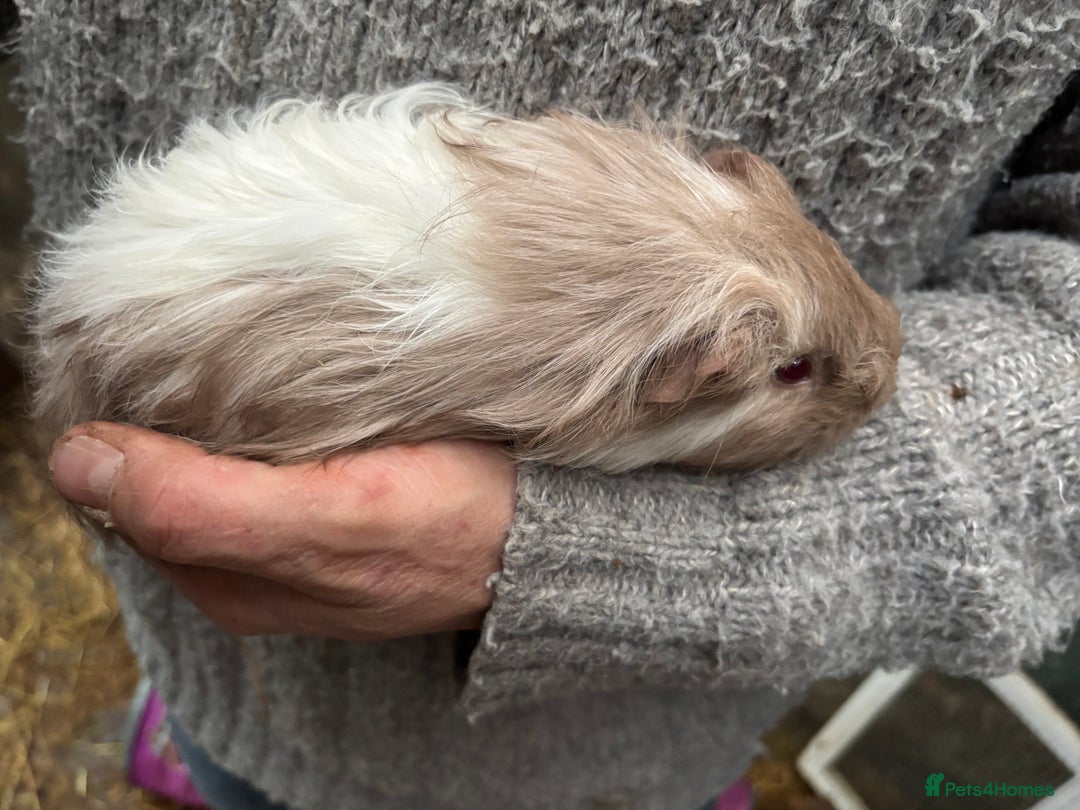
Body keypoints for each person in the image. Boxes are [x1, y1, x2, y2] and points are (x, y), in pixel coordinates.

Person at [23, 1, 1080, 808]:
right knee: (234, 773)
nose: (871, 373)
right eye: (796, 372)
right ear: (678, 375)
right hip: (218, 657)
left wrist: (609, 555)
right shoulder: (632, 368)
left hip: (608, 763)